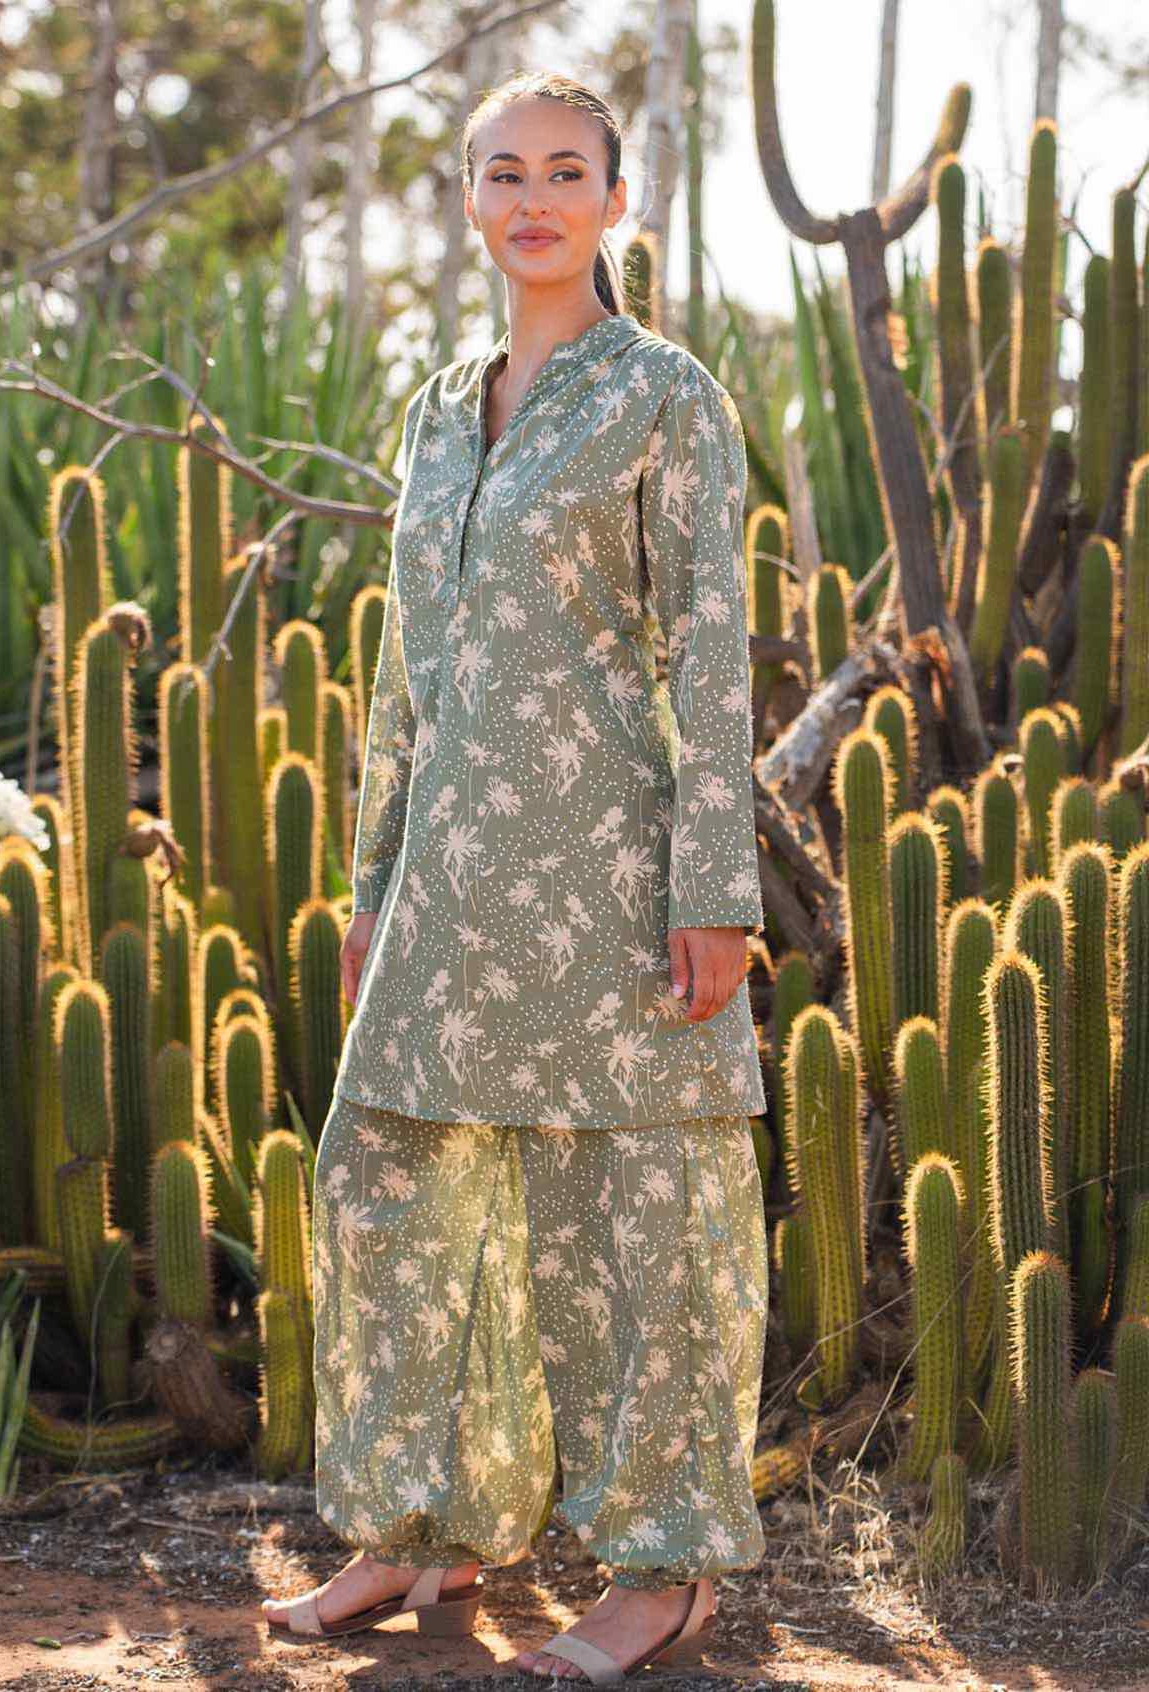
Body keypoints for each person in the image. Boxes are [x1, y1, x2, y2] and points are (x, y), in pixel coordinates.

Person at [262, 70, 771, 1682]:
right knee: (395, 1186)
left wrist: (719, 890)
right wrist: (372, 883)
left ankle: (662, 1571)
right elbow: (407, 672)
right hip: (448, 889)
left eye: (567, 172)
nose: (534, 198)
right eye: (504, 174)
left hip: (616, 880)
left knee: (642, 1219)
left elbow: (710, 653)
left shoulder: (665, 396)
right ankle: (423, 1531)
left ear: (617, 203)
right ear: (470, 203)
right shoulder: (432, 405)